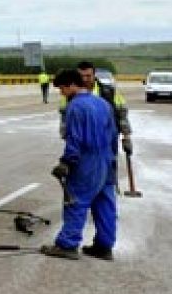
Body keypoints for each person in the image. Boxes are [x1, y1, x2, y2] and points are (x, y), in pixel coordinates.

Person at [42, 68, 117, 260]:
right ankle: (104, 247)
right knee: (105, 204)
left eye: (62, 89)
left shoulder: (75, 106)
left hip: (87, 162)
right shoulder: (103, 103)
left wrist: (66, 162)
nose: (62, 93)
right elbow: (113, 134)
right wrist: (112, 160)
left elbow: (74, 139)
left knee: (75, 201)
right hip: (106, 161)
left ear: (72, 85)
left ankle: (68, 244)